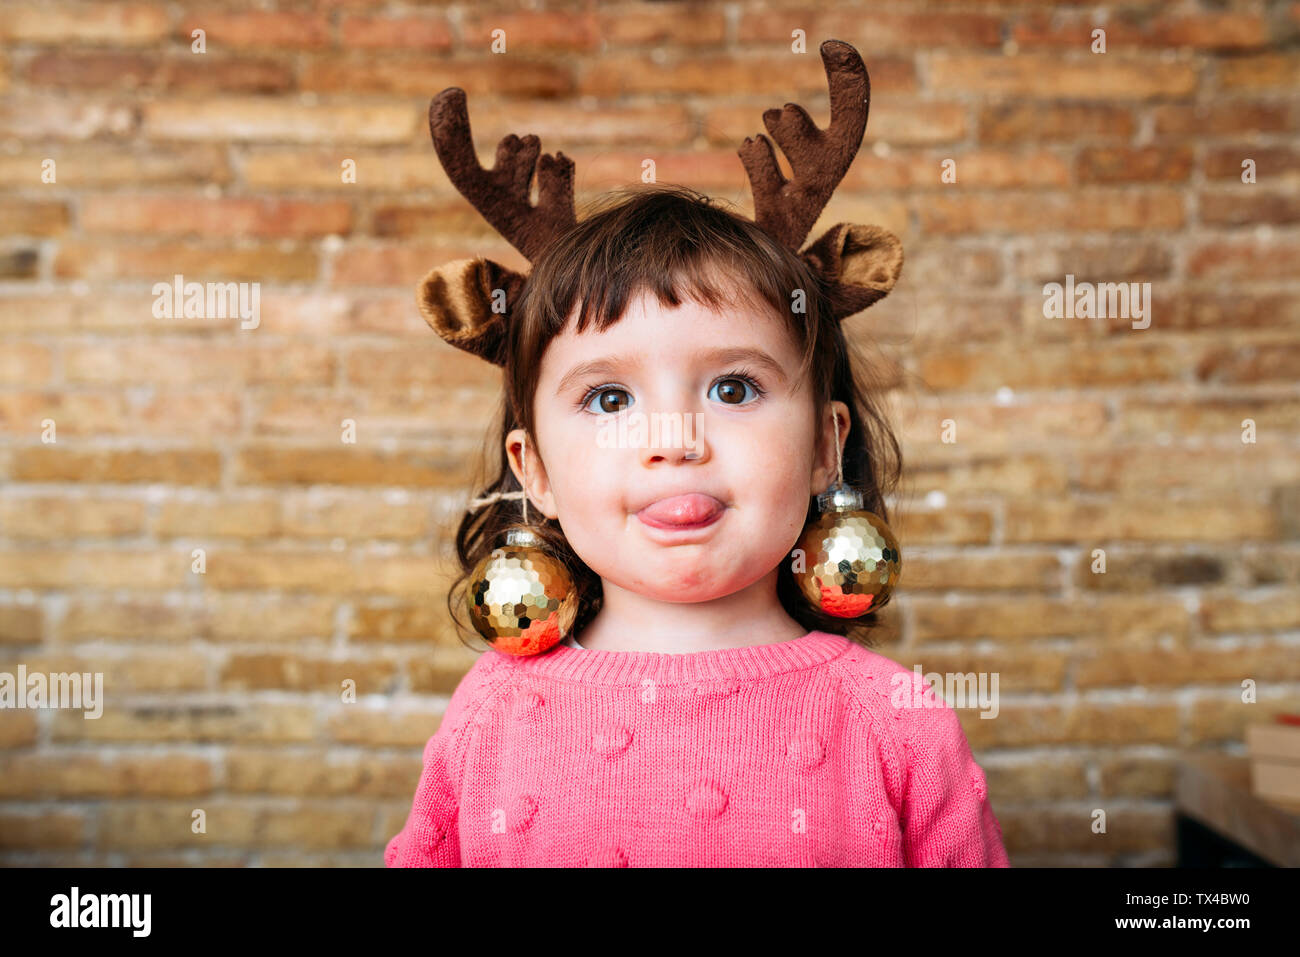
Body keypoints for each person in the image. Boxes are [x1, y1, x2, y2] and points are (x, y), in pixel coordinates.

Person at [386, 40, 1010, 867]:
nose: (674, 440)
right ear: (533, 468)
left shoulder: (894, 717)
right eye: (609, 399)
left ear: (828, 445)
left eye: (735, 389)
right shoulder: (489, 714)